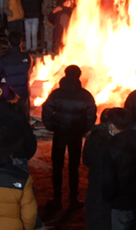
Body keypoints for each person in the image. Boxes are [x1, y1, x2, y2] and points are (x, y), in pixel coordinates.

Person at [41, 65, 96, 211]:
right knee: (74, 168)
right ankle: (73, 199)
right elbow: (91, 115)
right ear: (79, 76)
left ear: (65, 75)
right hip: (75, 134)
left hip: (60, 133)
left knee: (57, 167)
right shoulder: (86, 96)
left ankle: (57, 199)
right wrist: (85, 128)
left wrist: (50, 125)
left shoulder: (56, 94)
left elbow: (46, 111)